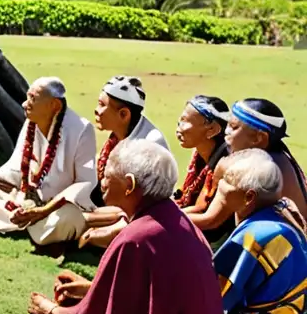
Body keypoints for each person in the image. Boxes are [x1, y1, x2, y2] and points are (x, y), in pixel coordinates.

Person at [6, 140, 224, 314]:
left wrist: (48, 310)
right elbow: (146, 299)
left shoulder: (135, 238)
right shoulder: (179, 224)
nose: (102, 181)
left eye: (108, 174)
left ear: (130, 185)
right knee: (70, 303)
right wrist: (89, 289)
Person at [212, 149, 307, 314]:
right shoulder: (284, 210)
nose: (218, 185)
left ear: (248, 198)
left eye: (226, 182)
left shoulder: (255, 238)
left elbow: (211, 300)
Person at [0, 78, 97, 246]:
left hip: (57, 207)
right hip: (26, 198)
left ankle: (6, 225)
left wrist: (44, 210)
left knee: (69, 219)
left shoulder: (82, 129)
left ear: (54, 105)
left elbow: (86, 181)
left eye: (33, 98)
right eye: (28, 97)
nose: (25, 104)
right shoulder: (31, 123)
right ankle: (23, 225)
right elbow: (16, 166)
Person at [79, 76, 173, 248]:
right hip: (114, 206)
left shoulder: (150, 145)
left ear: (124, 114)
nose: (96, 111)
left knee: (72, 220)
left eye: (102, 105)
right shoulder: (117, 134)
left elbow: (144, 208)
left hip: (135, 215)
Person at [224, 99, 307, 216]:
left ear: (258, 139)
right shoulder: (277, 155)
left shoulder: (264, 167)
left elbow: (213, 219)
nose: (226, 132)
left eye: (234, 127)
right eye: (228, 125)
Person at [174, 96, 233, 241]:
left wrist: (163, 216)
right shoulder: (200, 154)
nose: (178, 128)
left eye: (185, 121)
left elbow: (202, 209)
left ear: (212, 130)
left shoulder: (225, 162)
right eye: (180, 120)